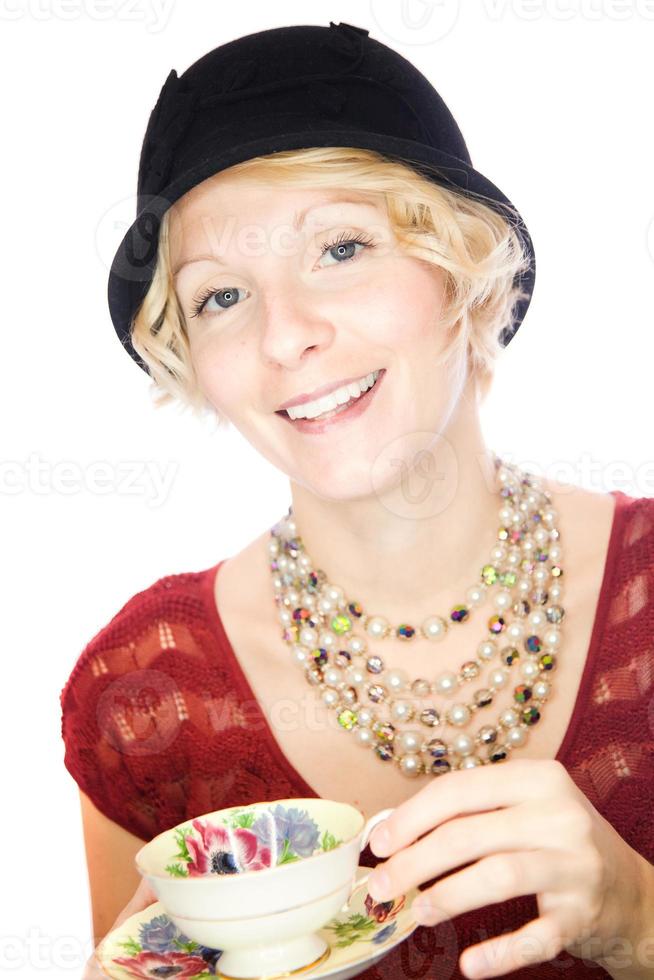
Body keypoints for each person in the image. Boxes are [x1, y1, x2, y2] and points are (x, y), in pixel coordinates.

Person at [60, 22, 654, 980]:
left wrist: (639, 914)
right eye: (220, 297)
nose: (286, 336)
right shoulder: (142, 698)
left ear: (464, 270)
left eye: (341, 248)